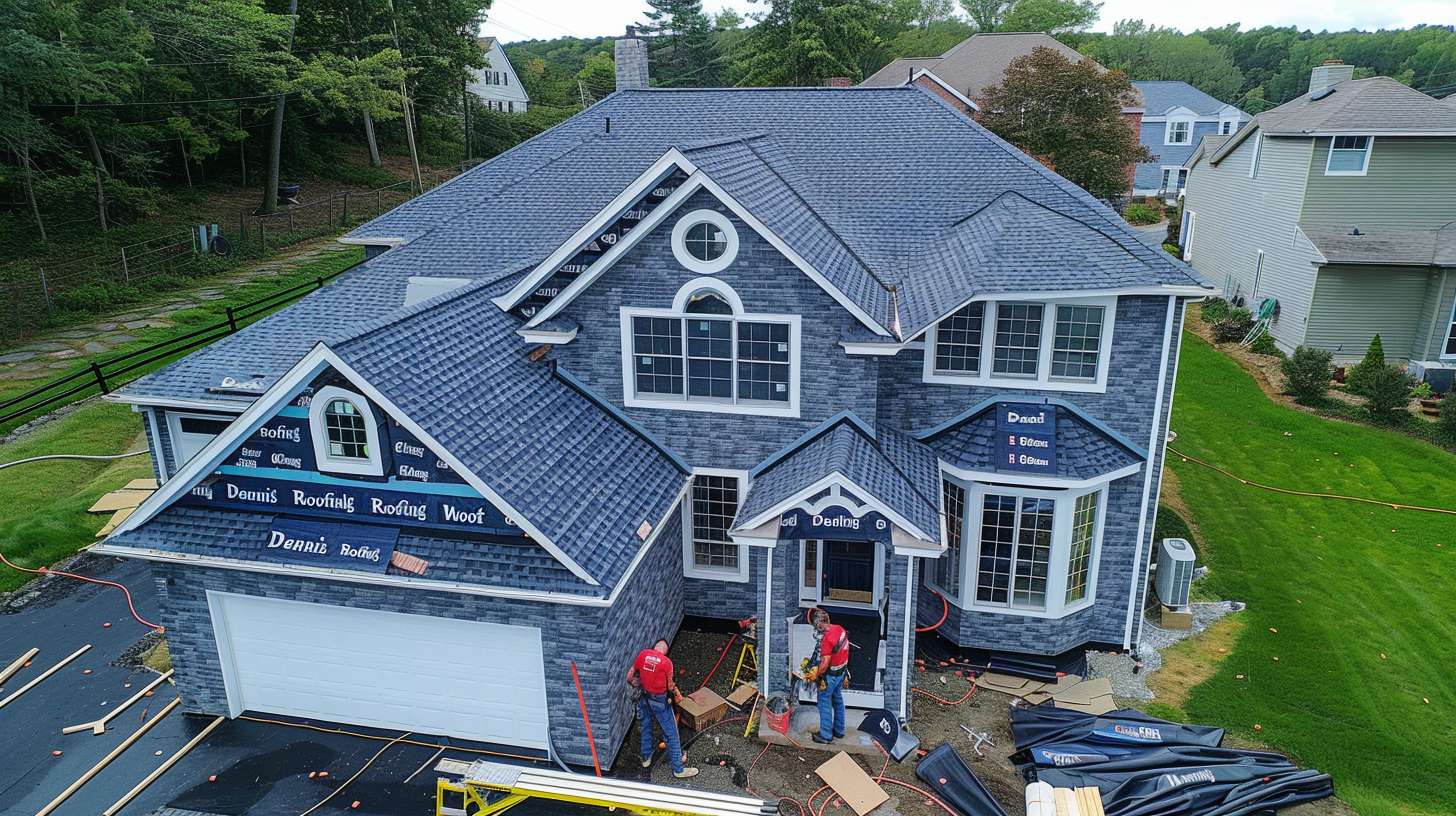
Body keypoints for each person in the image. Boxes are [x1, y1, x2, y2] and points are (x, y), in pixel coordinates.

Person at [626, 638, 698, 778]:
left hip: (644, 697)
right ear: (666, 651)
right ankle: (678, 769)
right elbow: (670, 685)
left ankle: (646, 759)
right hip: (660, 701)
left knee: (646, 727)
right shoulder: (666, 663)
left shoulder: (643, 654)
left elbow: (630, 676)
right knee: (672, 733)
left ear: (655, 647)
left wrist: (636, 684)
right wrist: (676, 693)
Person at [804, 608, 851, 744]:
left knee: (824, 703)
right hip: (841, 672)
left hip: (830, 677)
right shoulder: (839, 629)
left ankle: (825, 735)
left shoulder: (827, 639)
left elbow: (824, 663)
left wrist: (816, 675)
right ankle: (839, 730)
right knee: (838, 700)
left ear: (819, 624)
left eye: (815, 626)